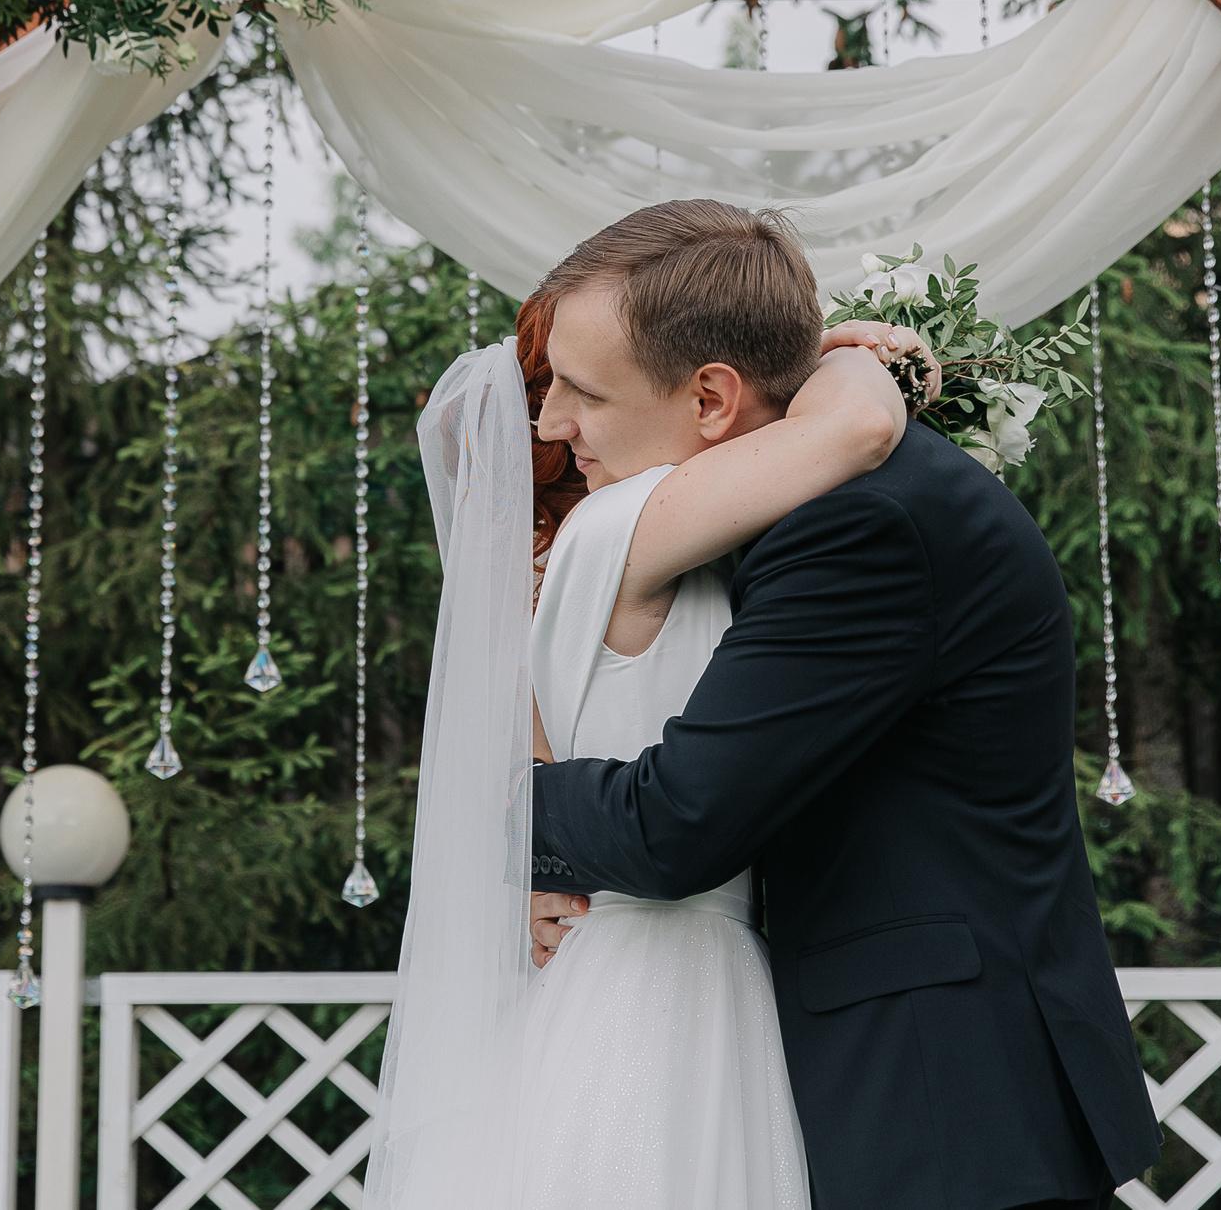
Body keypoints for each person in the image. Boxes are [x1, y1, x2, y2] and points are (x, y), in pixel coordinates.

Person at [521, 201, 1161, 1210]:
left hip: (936, 1100)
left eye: (583, 391)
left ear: (712, 400)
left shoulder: (857, 529)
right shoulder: (808, 490)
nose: (550, 420)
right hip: (862, 1075)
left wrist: (507, 813)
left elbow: (677, 825)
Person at [376, 198, 919, 1210]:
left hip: (637, 968)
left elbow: (534, 770)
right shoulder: (625, 522)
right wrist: (843, 354)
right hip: (667, 988)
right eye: (548, 391)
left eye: (582, 391)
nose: (550, 423)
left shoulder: (632, 535)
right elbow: (862, 424)